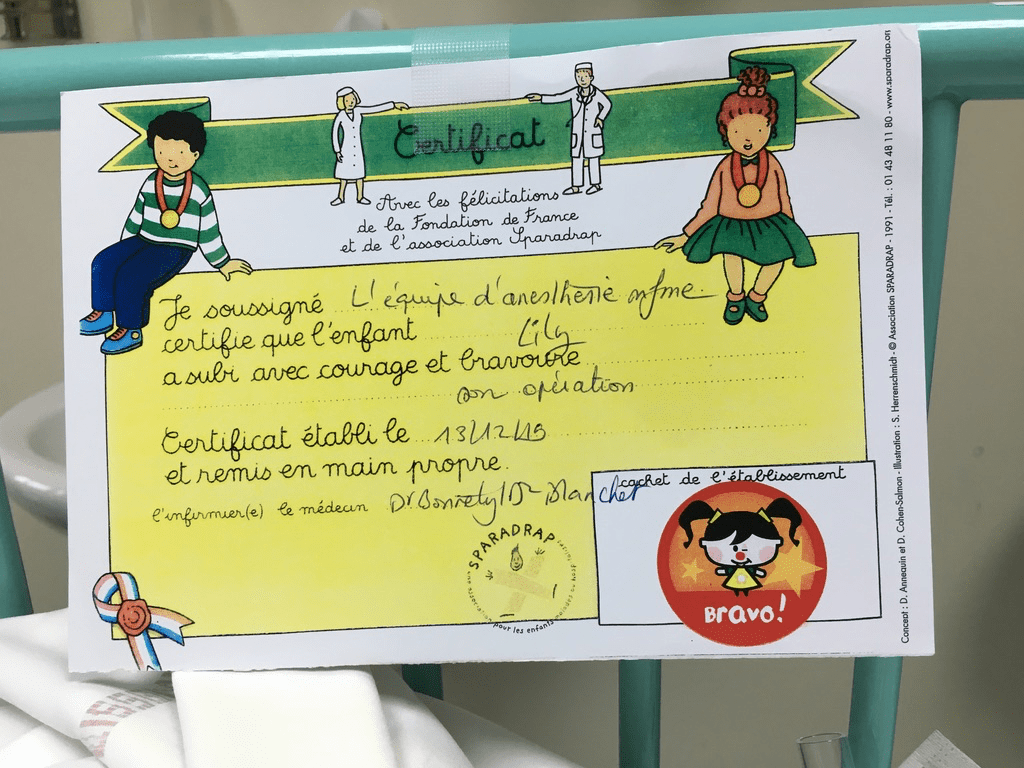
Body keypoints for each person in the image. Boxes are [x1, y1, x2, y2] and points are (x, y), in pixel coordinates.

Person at [79, 110, 252, 355]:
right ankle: (104, 312)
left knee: (132, 277)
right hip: (143, 239)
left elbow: (209, 231)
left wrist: (222, 262)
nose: (170, 159)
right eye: (161, 152)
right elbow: (137, 213)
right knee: (104, 261)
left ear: (195, 154)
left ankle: (131, 329)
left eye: (179, 153)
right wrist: (123, 248)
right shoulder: (152, 182)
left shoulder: (198, 190)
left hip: (176, 247)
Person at [655, 66, 815, 325]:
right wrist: (685, 235)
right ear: (726, 131)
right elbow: (710, 205)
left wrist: (791, 228)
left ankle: (757, 296)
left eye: (758, 131)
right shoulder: (725, 166)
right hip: (732, 223)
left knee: (777, 260)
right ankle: (736, 297)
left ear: (769, 128)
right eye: (738, 132)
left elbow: (783, 196)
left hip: (770, 221)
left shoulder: (773, 164)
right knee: (731, 255)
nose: (748, 140)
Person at [527, 62, 612, 195]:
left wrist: (600, 118)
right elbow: (558, 97)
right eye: (579, 77)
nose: (582, 80)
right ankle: (576, 186)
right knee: (577, 160)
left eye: (585, 77)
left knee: (593, 159)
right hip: (578, 134)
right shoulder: (574, 93)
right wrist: (541, 98)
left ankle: (595, 184)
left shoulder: (596, 94)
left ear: (591, 78)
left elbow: (607, 104)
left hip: (592, 133)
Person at [331, 87, 408, 205]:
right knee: (344, 175)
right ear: (342, 102)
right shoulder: (341, 115)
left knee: (359, 174)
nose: (350, 103)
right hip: (346, 148)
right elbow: (334, 132)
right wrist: (337, 150)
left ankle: (360, 197)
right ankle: (340, 197)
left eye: (352, 100)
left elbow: (375, 109)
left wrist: (394, 105)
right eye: (347, 101)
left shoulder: (358, 111)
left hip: (357, 147)